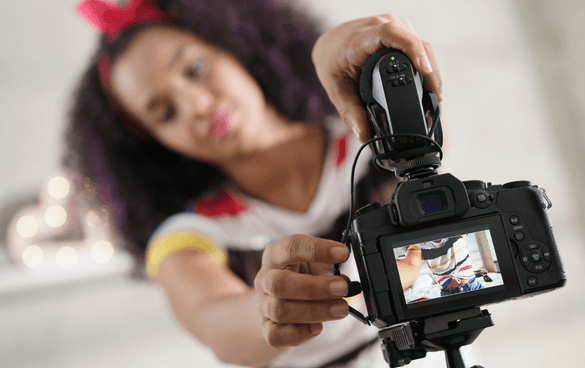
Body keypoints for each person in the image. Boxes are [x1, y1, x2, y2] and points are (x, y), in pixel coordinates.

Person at [66, 0, 443, 366]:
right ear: (154, 145)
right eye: (165, 113)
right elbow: (213, 322)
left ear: (235, 45)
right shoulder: (188, 238)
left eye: (195, 69)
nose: (196, 105)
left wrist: (343, 52)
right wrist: (267, 308)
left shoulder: (372, 137)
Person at [401, 237, 484, 296]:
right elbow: (410, 266)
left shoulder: (456, 231)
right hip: (448, 294)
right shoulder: (417, 246)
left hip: (474, 286)